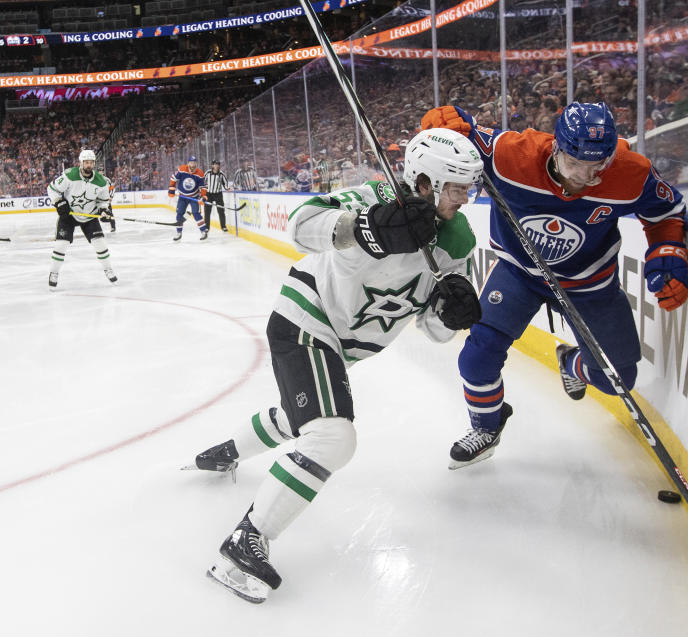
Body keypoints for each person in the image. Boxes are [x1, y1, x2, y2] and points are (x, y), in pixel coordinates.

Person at [191, 128, 485, 603]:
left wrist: (450, 316)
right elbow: (302, 223)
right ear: (426, 181)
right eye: (455, 187)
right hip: (304, 320)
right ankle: (245, 543)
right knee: (332, 435)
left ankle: (226, 451)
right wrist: (363, 228)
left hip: (344, 346)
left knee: (300, 417)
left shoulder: (457, 241)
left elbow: (432, 329)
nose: (464, 198)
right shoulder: (375, 196)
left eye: (469, 187)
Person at [421, 102, 688, 469]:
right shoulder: (510, 156)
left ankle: (572, 363)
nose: (584, 177)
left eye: (597, 168)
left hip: (590, 282)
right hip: (520, 274)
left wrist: (669, 250)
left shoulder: (632, 172)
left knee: (616, 380)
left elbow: (665, 211)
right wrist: (446, 128)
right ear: (556, 149)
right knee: (476, 357)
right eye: (575, 165)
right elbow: (457, 142)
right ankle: (487, 426)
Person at [47, 149, 118, 289]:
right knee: (61, 245)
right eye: (86, 162)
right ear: (81, 163)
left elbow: (103, 200)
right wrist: (58, 202)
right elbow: (52, 188)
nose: (89, 165)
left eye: (91, 162)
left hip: (89, 216)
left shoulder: (101, 182)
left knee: (101, 244)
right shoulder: (69, 175)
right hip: (69, 215)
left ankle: (108, 269)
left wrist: (104, 210)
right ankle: (54, 273)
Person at [168, 155, 208, 241]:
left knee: (196, 213)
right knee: (179, 214)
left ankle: (204, 231)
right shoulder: (182, 169)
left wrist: (203, 196)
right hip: (182, 196)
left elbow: (203, 187)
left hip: (194, 196)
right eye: (191, 162)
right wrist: (171, 189)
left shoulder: (200, 173)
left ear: (196, 164)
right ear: (188, 163)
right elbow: (173, 178)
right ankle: (179, 233)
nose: (192, 164)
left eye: (194, 163)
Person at [203, 159, 228, 233]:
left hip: (218, 194)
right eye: (215, 164)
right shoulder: (207, 173)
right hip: (209, 194)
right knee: (207, 211)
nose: (216, 166)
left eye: (218, 164)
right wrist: (202, 192)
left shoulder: (221, 174)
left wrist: (227, 188)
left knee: (221, 211)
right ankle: (207, 227)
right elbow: (202, 182)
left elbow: (225, 184)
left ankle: (223, 226)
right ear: (212, 165)